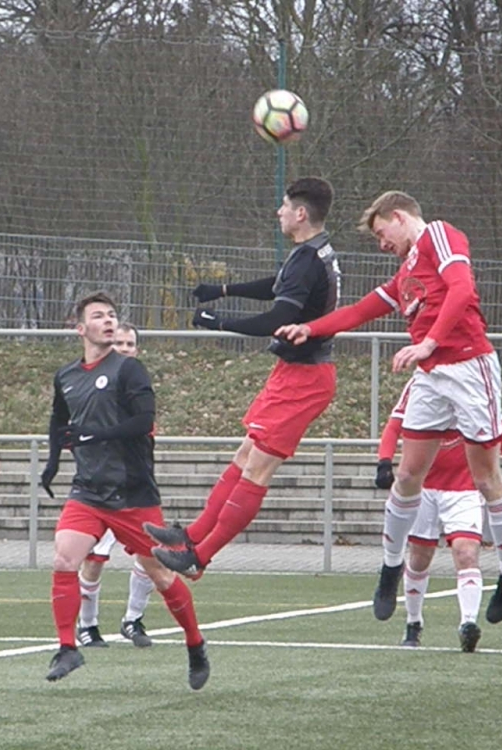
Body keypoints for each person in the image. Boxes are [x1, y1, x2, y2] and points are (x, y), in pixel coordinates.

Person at [276, 190, 502, 626]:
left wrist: (428, 342)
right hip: (432, 375)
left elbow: (462, 289)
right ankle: (390, 567)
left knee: (486, 477)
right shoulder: (406, 272)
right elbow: (360, 311)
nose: (382, 244)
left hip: (469, 366)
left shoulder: (439, 236)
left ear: (398, 216)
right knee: (408, 474)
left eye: (381, 233)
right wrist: (310, 328)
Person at [144, 177, 341, 579]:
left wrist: (219, 323)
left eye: (284, 206)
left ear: (301, 213)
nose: (279, 212)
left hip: (305, 379)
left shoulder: (308, 259)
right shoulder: (311, 252)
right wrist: (222, 289)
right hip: (294, 372)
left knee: (257, 470)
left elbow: (277, 319)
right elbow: (277, 286)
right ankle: (192, 536)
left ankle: (199, 557)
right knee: (245, 456)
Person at [38, 292, 209, 689]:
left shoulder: (129, 370)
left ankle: (195, 644)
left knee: (161, 575)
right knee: (65, 558)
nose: (108, 321)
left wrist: (94, 434)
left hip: (132, 493)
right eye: (98, 316)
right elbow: (59, 421)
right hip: (88, 491)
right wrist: (52, 462)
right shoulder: (67, 376)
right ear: (80, 329)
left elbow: (143, 421)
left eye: (112, 315)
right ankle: (68, 647)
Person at [376, 380, 502, 651]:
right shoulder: (421, 383)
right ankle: (413, 622)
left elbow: (500, 428)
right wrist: (384, 462)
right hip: (424, 487)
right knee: (419, 557)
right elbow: (394, 426)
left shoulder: (474, 381)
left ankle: (468, 623)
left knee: (466, 552)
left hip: (463, 488)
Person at [74, 322, 157, 649]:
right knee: (93, 560)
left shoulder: (139, 388)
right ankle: (87, 625)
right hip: (99, 492)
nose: (123, 349)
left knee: (151, 557)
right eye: (118, 343)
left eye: (129, 344)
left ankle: (133, 619)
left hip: (135, 491)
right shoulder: (91, 387)